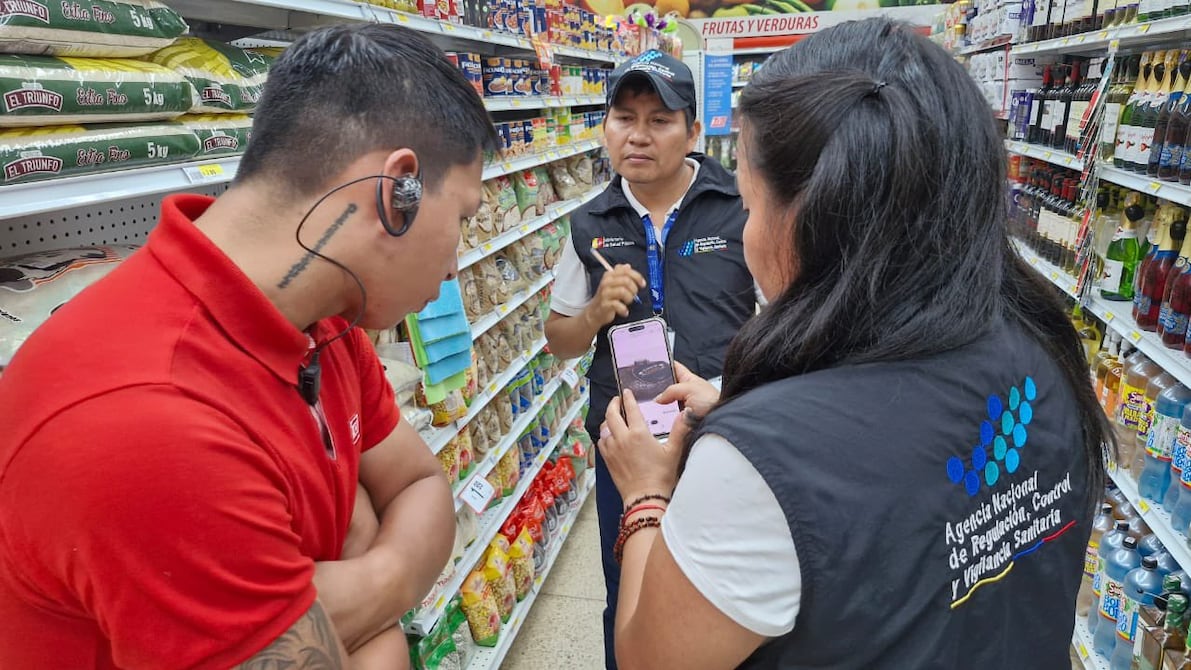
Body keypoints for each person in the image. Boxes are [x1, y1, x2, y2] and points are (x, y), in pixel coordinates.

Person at [597, 18, 1112, 670]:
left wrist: (647, 494)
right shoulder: (1044, 347)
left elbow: (651, 660)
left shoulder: (756, 464)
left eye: (751, 208)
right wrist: (731, 400)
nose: (746, 233)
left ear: (811, 216)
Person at [0, 23, 498, 669]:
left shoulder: (321, 320)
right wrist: (381, 564)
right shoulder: (145, 420)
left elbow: (417, 481)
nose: (455, 263)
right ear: (394, 192)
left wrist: (368, 585)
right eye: (460, 217)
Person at [543, 49, 755, 669]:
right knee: (628, 593)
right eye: (623, 116)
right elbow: (559, 337)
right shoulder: (589, 224)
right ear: (605, 126)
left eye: (660, 119)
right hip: (627, 446)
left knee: (725, 586)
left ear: (693, 132)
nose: (637, 135)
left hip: (721, 433)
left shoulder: (739, 207)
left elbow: (782, 318)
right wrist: (593, 313)